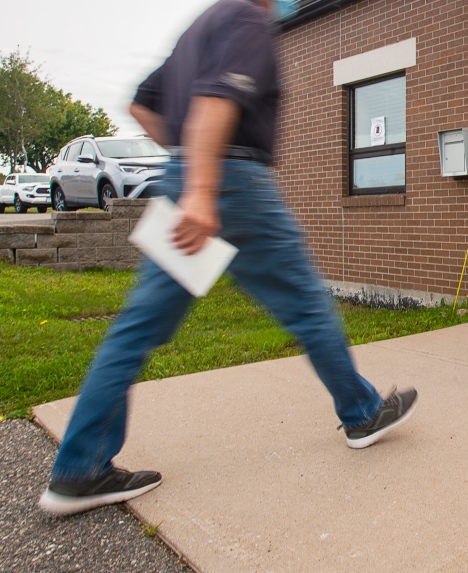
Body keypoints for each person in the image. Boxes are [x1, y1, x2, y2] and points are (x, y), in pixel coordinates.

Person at [38, 0, 417, 516]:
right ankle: (363, 412)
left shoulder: (199, 27)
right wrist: (202, 185)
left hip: (187, 179)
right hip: (231, 186)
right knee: (306, 303)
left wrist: (188, 163)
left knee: (140, 324)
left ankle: (79, 468)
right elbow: (217, 101)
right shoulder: (246, 19)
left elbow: (142, 105)